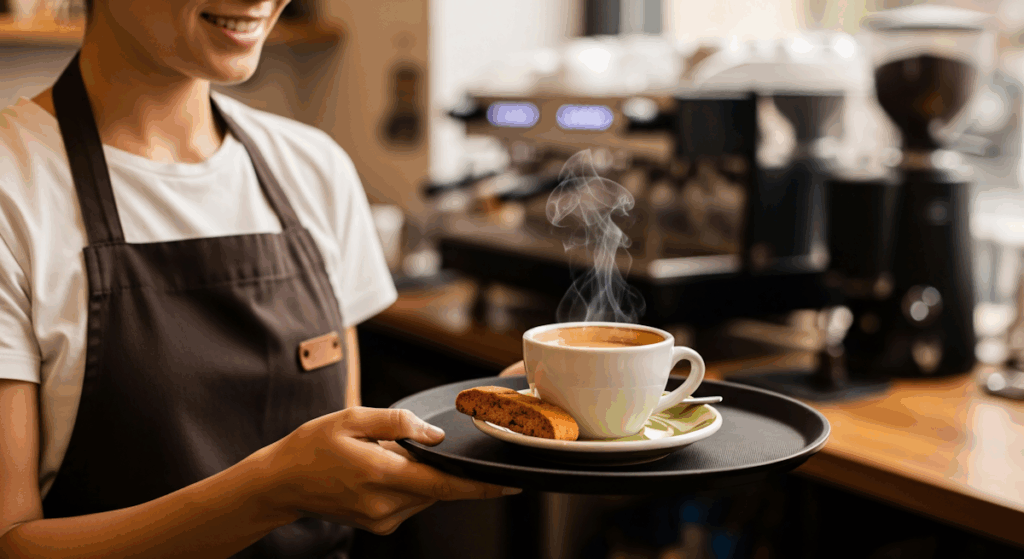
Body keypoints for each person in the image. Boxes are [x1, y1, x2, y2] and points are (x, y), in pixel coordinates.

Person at [0, 0, 519, 556]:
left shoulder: (314, 168)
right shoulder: (14, 188)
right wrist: (269, 492)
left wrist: (488, 417)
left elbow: (347, 446)